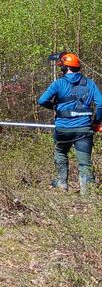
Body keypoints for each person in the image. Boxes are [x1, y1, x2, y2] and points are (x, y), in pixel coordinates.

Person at [37, 52, 102, 196]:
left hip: (63, 129)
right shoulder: (90, 84)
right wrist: (97, 122)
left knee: (60, 152)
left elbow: (42, 100)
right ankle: (86, 193)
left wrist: (54, 107)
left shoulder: (59, 83)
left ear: (64, 68)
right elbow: (101, 104)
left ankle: (62, 183)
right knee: (84, 162)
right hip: (84, 129)